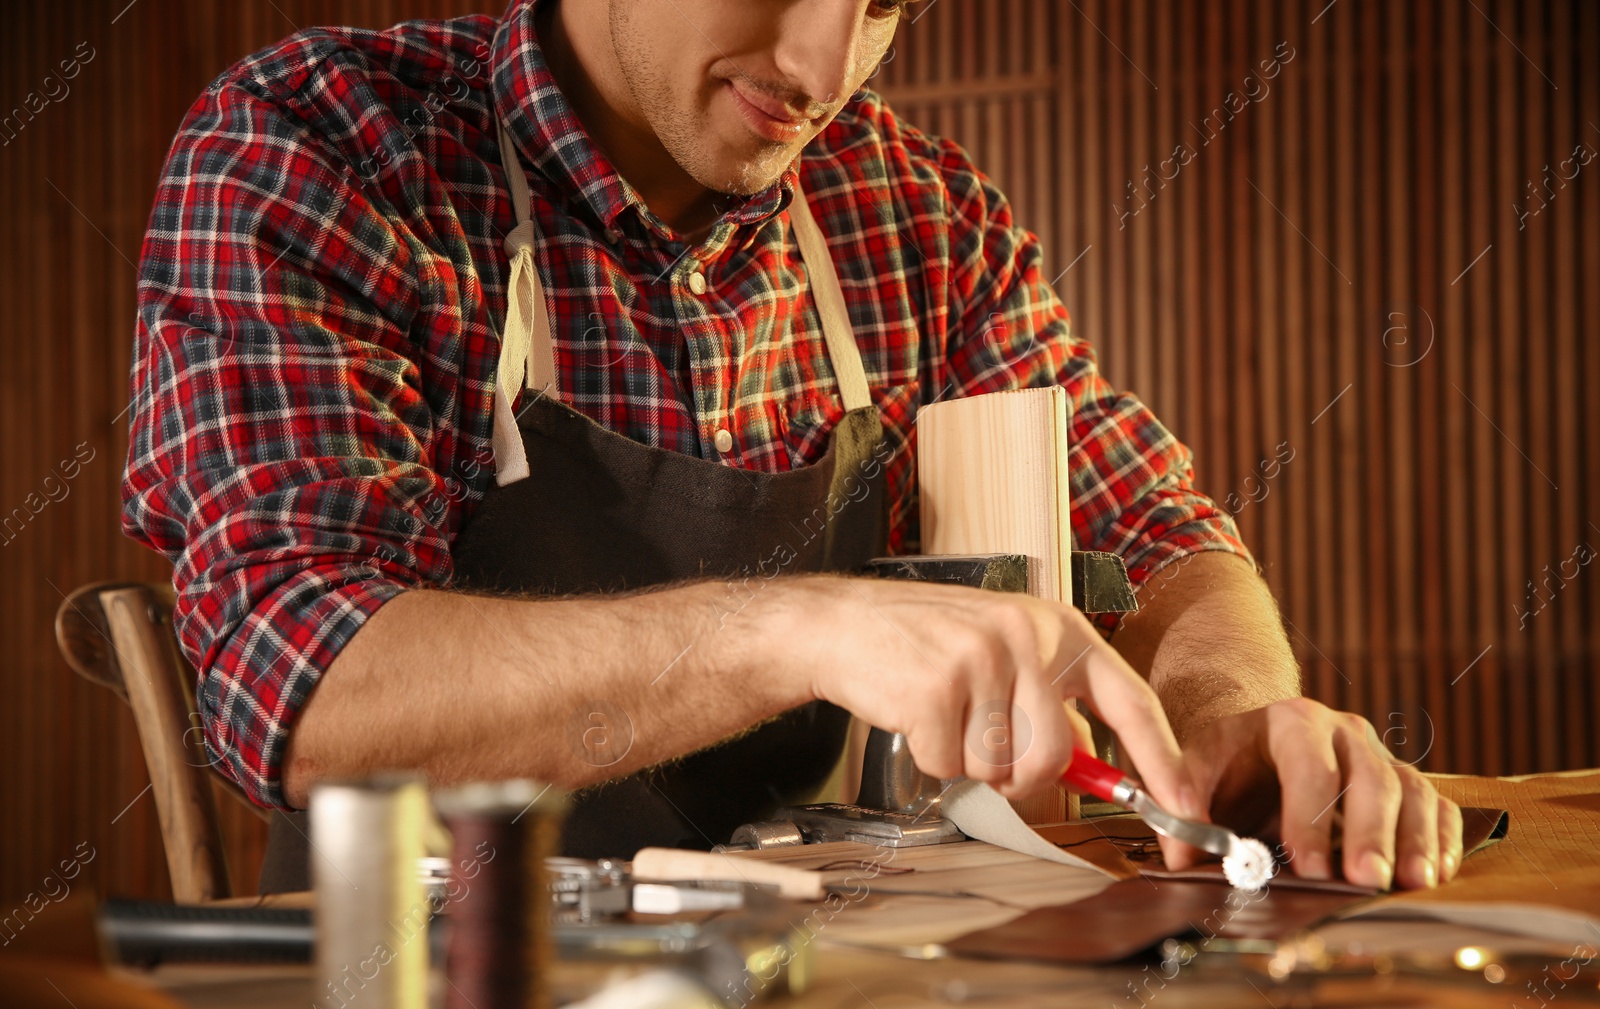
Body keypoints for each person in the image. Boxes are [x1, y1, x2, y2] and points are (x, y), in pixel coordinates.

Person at [123, 0, 1461, 891]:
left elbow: (1158, 529)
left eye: (878, 3)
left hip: (840, 995)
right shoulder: (327, 145)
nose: (823, 71)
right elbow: (297, 691)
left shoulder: (916, 211)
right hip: (460, 1001)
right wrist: (797, 629)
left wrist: (1228, 711)